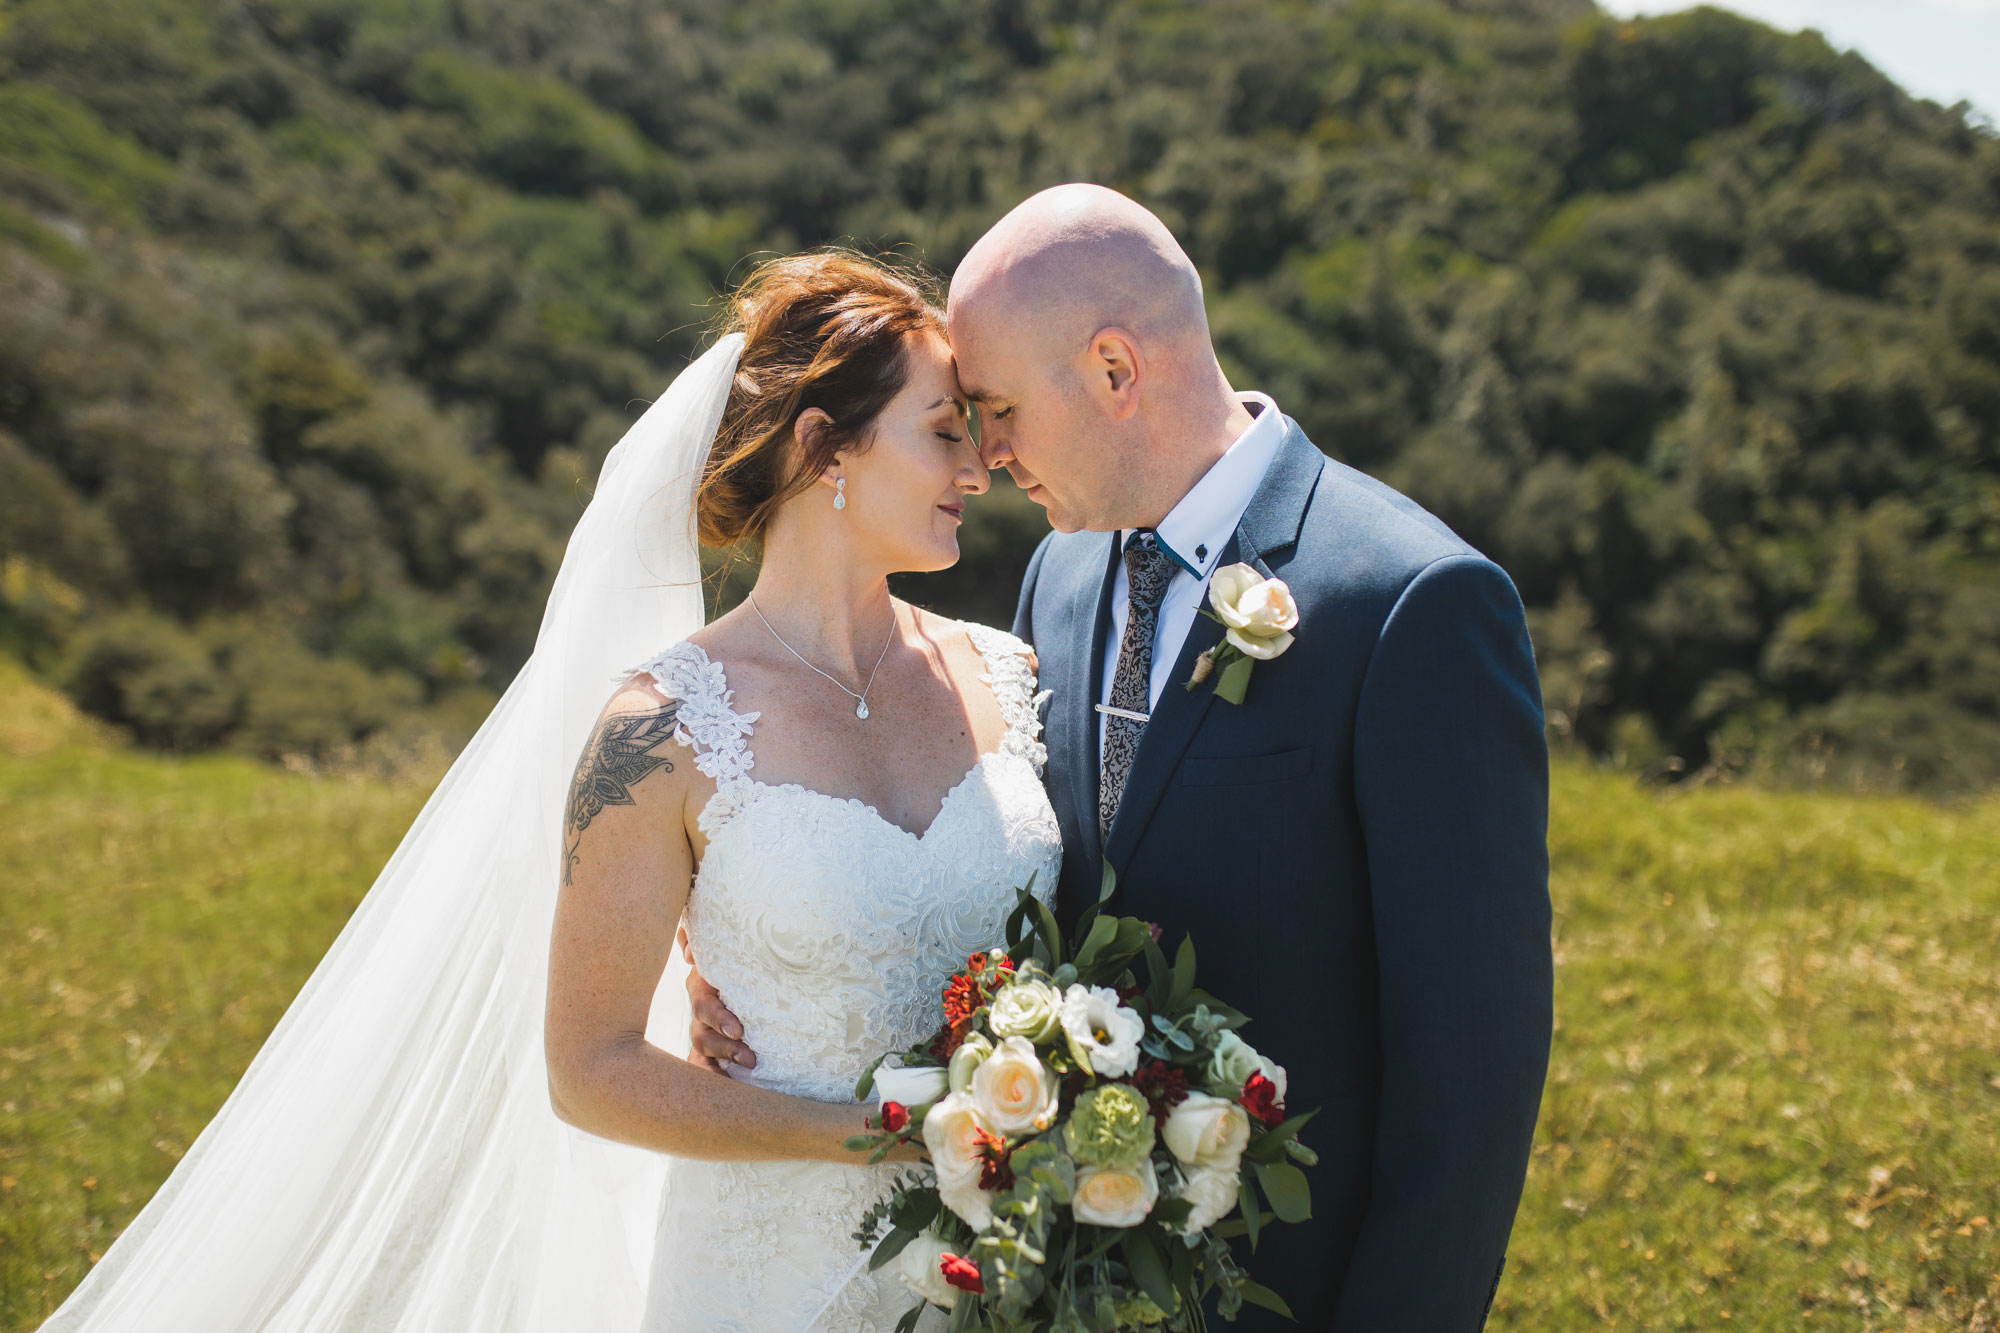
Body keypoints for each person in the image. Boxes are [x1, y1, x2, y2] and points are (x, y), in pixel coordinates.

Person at [34, 251, 1056, 1333]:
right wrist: (871, 1135)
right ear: (822, 445)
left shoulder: (1010, 674)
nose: (977, 468)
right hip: (770, 1282)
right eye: (942, 430)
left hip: (1018, 1267)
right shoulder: (663, 730)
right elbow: (591, 1068)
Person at [687, 184, 1556, 1330]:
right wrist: (759, 959)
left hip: (1292, 1290)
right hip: (1054, 1276)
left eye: (994, 408)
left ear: (1111, 370)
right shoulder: (1061, 576)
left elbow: (1471, 1077)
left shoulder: (1412, 603)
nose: (985, 457)